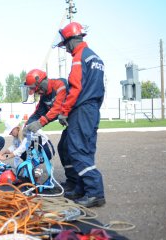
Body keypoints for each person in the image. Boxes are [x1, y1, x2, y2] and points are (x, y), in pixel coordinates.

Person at [54, 21, 106, 208]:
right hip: (91, 108)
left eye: (66, 45)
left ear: (70, 40)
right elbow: (100, 88)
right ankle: (82, 188)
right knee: (84, 149)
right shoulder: (95, 57)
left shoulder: (79, 57)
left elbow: (75, 88)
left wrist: (65, 111)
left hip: (81, 108)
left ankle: (95, 192)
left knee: (76, 149)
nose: (66, 49)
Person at [20, 69, 76, 188]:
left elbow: (57, 108)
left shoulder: (60, 85)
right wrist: (27, 126)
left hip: (78, 119)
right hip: (70, 123)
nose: (38, 92)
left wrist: (40, 123)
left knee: (71, 149)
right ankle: (72, 181)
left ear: (42, 82)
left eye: (37, 89)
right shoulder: (44, 97)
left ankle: (81, 184)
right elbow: (38, 113)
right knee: (63, 148)